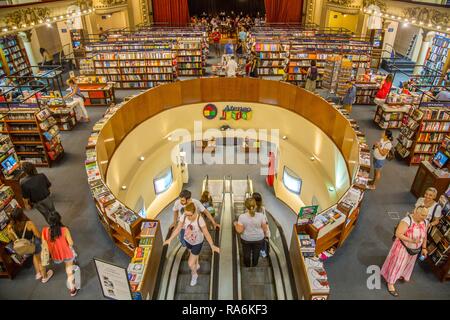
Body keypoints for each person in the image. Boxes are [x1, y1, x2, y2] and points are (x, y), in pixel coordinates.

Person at [164, 203, 220, 286]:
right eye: (186, 215)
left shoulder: (199, 220)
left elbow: (206, 233)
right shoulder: (184, 216)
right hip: (188, 240)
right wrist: (170, 239)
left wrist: (212, 245)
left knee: (190, 263)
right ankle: (196, 264)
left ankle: (194, 274)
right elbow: (179, 228)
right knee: (192, 254)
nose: (188, 217)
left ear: (194, 212)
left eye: (190, 215)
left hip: (197, 243)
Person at [380, 206, 429, 297]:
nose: (424, 217)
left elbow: (424, 236)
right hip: (402, 248)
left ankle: (401, 274)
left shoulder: (425, 222)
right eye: (422, 215)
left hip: (414, 250)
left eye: (426, 215)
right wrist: (412, 241)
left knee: (407, 263)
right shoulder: (406, 221)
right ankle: (390, 283)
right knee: (397, 264)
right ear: (416, 212)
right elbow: (398, 234)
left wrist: (424, 248)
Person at [7, 207, 53, 283]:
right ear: (22, 215)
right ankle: (45, 276)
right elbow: (38, 235)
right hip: (34, 244)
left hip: (24, 248)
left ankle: (38, 273)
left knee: (34, 255)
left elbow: (13, 240)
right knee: (40, 260)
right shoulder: (29, 224)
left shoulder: (10, 228)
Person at [42, 211, 78, 296]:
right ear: (59, 219)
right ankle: (72, 289)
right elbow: (71, 243)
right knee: (69, 270)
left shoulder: (45, 231)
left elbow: (44, 245)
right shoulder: (65, 230)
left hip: (56, 256)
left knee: (67, 266)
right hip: (67, 254)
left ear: (48, 221)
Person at [233, 198, 268, 268]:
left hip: (246, 239)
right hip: (259, 239)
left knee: (246, 254)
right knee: (256, 253)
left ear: (246, 207)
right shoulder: (261, 216)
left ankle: (247, 265)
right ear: (255, 206)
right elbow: (265, 228)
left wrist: (235, 224)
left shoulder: (242, 217)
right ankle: (255, 264)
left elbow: (239, 231)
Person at [252, 192, 271, 258]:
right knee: (262, 240)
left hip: (255, 229)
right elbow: (265, 219)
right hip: (262, 229)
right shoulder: (262, 208)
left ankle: (254, 251)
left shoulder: (251, 209)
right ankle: (262, 251)